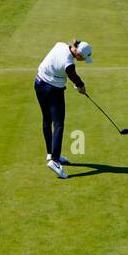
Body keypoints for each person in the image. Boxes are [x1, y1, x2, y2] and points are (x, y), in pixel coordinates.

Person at [33, 40, 94, 179]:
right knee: (59, 123)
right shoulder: (69, 64)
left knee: (47, 119)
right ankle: (55, 161)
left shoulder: (60, 45)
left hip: (39, 83)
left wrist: (75, 83)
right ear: (78, 54)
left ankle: (51, 153)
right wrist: (81, 86)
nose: (83, 60)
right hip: (53, 90)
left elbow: (64, 70)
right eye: (83, 58)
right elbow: (72, 74)